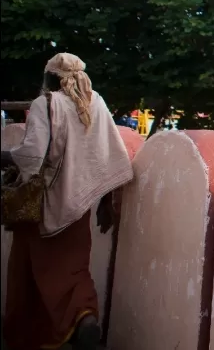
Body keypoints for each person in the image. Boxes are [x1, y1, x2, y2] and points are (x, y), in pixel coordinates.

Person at [0, 53, 135, 350]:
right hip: (79, 205)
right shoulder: (95, 101)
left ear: (50, 77)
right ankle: (84, 318)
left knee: (28, 273)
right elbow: (109, 153)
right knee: (74, 271)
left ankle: (32, 335)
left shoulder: (45, 104)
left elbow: (33, 157)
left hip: (42, 207)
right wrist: (105, 201)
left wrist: (6, 156)